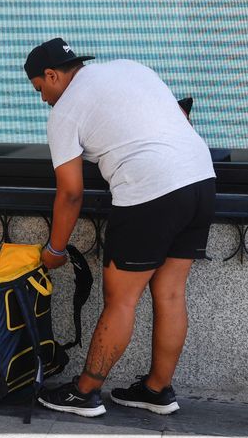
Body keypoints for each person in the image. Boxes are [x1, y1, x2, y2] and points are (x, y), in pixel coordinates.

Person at [23, 38, 216, 417]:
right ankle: (157, 390)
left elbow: (71, 193)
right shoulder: (131, 68)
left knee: (122, 300)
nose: (43, 98)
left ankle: (85, 392)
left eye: (40, 89)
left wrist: (55, 250)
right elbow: (179, 117)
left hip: (150, 193)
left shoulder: (65, 111)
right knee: (172, 294)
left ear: (51, 75)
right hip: (201, 181)